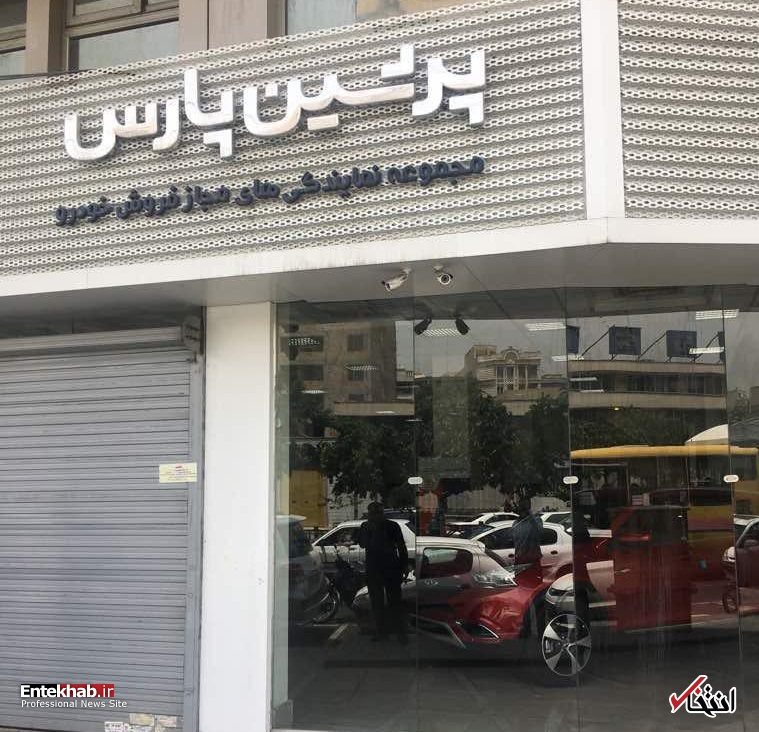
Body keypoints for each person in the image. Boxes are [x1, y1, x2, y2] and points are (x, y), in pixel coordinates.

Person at [358, 502, 409, 643]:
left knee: (395, 601)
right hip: (374, 569)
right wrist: (369, 530)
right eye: (372, 513)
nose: (375, 516)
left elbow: (401, 546)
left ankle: (400, 633)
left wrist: (404, 565)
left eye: (377, 513)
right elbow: (362, 543)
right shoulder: (365, 526)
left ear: (382, 513)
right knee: (377, 603)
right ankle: (382, 632)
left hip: (390, 568)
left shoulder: (392, 526)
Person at [511, 496, 543, 583]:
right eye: (521, 506)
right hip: (520, 559)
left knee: (535, 584)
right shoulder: (516, 523)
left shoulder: (536, 520)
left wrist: (530, 515)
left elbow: (539, 531)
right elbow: (516, 540)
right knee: (520, 583)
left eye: (525, 506)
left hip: (533, 559)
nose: (522, 508)